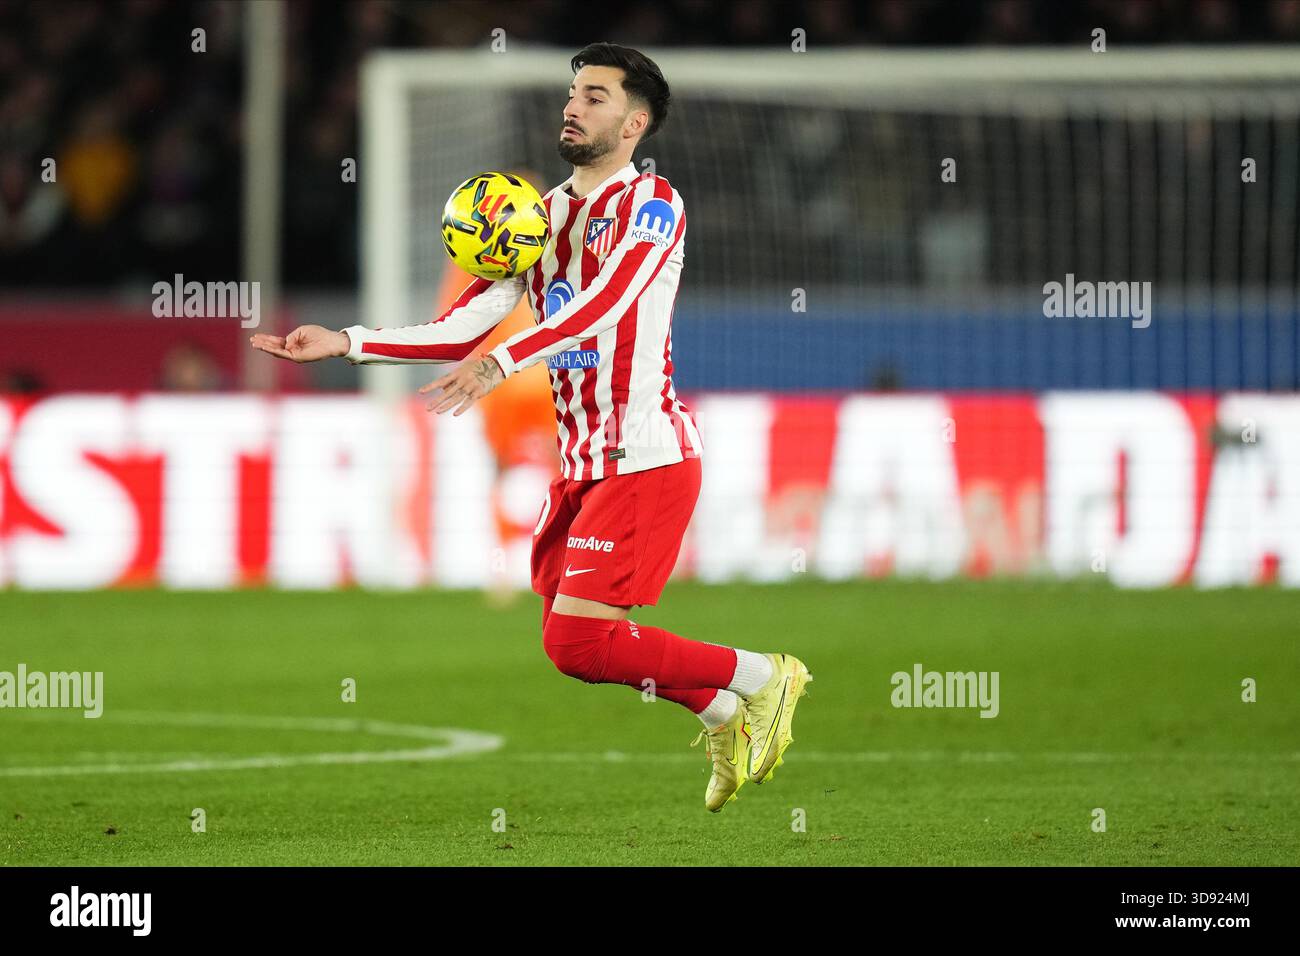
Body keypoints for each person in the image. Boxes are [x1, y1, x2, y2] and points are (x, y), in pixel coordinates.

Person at [251, 42, 811, 812]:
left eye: (596, 96)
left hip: (644, 454)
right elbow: (455, 331)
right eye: (573, 93)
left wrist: (500, 362)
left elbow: (601, 305)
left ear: (635, 121)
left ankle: (761, 676)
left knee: (577, 643)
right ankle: (718, 710)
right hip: (580, 462)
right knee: (571, 637)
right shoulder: (538, 218)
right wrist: (345, 341)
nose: (574, 107)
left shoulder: (654, 207)